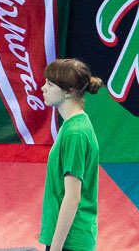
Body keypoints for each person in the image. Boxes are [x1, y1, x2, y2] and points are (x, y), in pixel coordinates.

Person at [37, 57, 103, 251]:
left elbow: (72, 198)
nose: (43, 88)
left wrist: (55, 248)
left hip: (70, 242)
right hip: (64, 238)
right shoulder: (72, 126)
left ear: (69, 91)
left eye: (50, 84)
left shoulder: (76, 133)